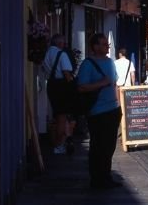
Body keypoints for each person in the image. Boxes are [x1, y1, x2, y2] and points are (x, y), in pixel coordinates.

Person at [75, 33, 121, 189]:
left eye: (106, 44)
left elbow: (115, 84)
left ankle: (106, 176)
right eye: (102, 44)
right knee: (98, 146)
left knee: (109, 146)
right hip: (97, 111)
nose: (107, 46)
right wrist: (101, 83)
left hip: (113, 109)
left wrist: (119, 106)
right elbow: (81, 87)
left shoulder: (110, 62)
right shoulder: (88, 64)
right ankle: (96, 179)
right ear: (94, 47)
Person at [43, 34, 75, 154]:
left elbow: (45, 69)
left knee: (57, 115)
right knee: (62, 116)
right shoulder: (62, 54)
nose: (65, 45)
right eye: (64, 43)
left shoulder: (47, 53)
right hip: (61, 86)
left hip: (51, 85)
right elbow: (66, 73)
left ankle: (61, 140)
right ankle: (59, 145)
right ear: (60, 43)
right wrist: (73, 86)